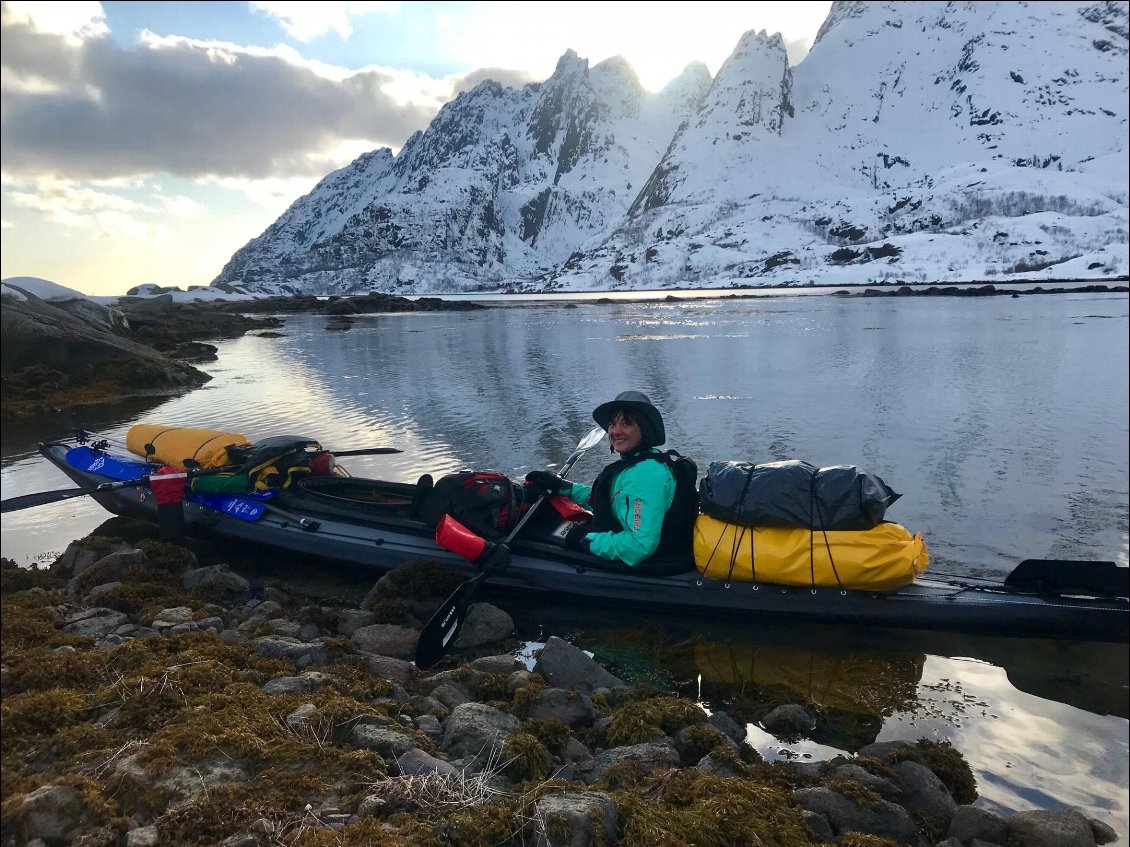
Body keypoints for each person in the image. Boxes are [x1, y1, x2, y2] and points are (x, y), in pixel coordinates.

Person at [525, 391, 698, 569]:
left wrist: (584, 539)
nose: (615, 431)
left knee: (542, 534)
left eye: (626, 424)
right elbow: (614, 502)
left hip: (657, 563)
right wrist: (565, 488)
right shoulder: (644, 461)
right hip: (661, 552)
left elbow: (639, 545)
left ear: (644, 428)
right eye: (612, 424)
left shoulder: (645, 476)